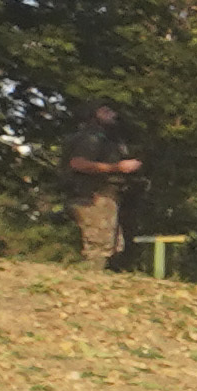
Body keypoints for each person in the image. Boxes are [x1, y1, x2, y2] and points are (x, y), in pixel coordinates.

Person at [64, 101, 142, 270]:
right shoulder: (91, 137)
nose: (113, 114)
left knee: (114, 246)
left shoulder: (109, 138)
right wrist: (117, 167)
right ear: (94, 113)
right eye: (106, 110)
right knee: (99, 249)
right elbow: (78, 163)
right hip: (93, 196)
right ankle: (87, 283)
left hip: (106, 197)